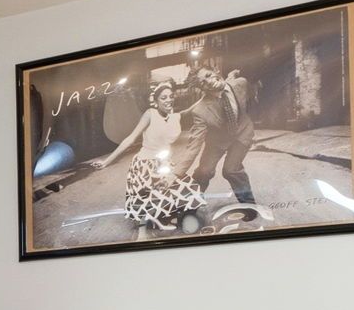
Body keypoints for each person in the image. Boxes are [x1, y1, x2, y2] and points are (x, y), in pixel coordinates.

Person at [90, 82, 203, 230]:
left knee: (188, 188)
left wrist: (207, 96)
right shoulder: (150, 114)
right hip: (145, 163)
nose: (169, 100)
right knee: (147, 197)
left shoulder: (175, 117)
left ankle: (167, 219)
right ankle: (144, 231)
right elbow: (130, 139)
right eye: (163, 97)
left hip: (164, 163)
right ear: (156, 101)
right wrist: (107, 161)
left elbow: (189, 110)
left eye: (171, 96)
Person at [180, 69, 269, 221]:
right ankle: (189, 207)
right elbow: (194, 145)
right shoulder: (200, 110)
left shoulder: (240, 84)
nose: (209, 81)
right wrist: (176, 173)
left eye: (209, 75)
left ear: (215, 71)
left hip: (241, 134)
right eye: (203, 82)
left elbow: (250, 91)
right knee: (204, 172)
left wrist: (253, 92)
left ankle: (249, 206)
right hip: (217, 141)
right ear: (202, 89)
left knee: (231, 170)